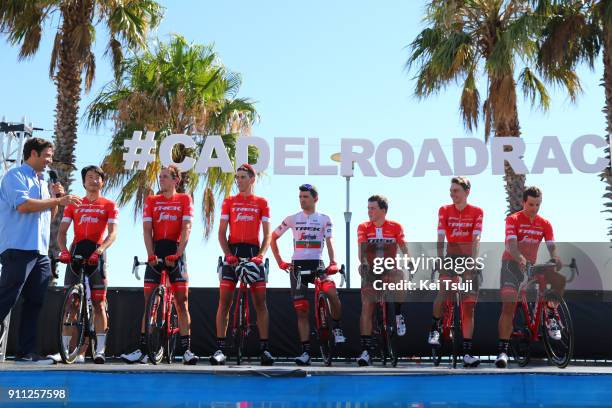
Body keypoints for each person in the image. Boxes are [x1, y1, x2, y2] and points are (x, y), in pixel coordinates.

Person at [0, 138, 81, 363]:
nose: (50, 161)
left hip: (40, 251)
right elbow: (23, 205)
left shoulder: (44, 182)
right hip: (17, 247)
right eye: (47, 155)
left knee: (35, 301)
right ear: (33, 153)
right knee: (6, 298)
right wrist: (58, 199)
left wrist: (55, 199)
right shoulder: (15, 176)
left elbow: (49, 217)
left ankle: (26, 353)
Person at [120, 166, 198, 365]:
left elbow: (186, 227)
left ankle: (186, 350)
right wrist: (150, 254)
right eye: (160, 176)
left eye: (165, 177)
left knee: (182, 303)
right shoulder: (151, 200)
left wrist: (178, 253)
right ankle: (143, 349)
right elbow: (146, 230)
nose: (160, 179)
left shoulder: (184, 199)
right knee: (149, 304)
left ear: (175, 180)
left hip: (176, 252)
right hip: (156, 252)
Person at [270, 183, 346, 366]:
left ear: (315, 199)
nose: (302, 200)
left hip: (317, 264)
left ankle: (336, 327)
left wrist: (333, 261)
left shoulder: (324, 219)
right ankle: (305, 352)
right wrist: (279, 261)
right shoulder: (292, 218)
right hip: (297, 267)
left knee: (332, 293)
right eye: (300, 197)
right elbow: (272, 238)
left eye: (305, 197)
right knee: (302, 311)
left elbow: (329, 242)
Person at [49, 165, 118, 364]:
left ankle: (100, 351)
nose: (93, 180)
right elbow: (62, 232)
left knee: (98, 304)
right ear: (84, 181)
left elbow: (113, 233)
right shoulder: (74, 203)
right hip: (76, 254)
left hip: (97, 254)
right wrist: (63, 250)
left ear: (102, 182)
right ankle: (64, 350)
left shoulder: (109, 204)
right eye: (89, 177)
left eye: (97, 177)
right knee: (70, 305)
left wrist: (100, 250)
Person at [211, 163, 274, 366]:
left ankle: (265, 349)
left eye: (242, 177)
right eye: (236, 177)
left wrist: (261, 255)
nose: (238, 181)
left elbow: (267, 234)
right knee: (224, 302)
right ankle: (220, 348)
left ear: (252, 179)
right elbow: (221, 233)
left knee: (260, 304)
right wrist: (227, 254)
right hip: (233, 254)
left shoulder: (262, 202)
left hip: (254, 253)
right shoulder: (229, 201)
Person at [495, 186, 564, 368]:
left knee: (558, 279)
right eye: (531, 204)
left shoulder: (545, 223)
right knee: (509, 305)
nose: (534, 208)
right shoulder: (513, 219)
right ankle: (502, 351)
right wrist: (521, 260)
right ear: (523, 202)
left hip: (531, 265)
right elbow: (511, 246)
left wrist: (556, 257)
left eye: (538, 204)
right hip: (511, 265)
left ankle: (551, 314)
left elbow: (551, 246)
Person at [427, 177, 483, 368]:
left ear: (467, 191)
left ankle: (467, 353)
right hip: (450, 257)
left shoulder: (477, 212)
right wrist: (440, 259)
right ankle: (435, 327)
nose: (452, 194)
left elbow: (476, 239)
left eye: (456, 190)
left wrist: (473, 262)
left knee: (469, 307)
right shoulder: (444, 210)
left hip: (468, 258)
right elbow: (440, 237)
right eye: (451, 190)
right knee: (443, 291)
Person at [356, 195, 411, 367]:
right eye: (368, 208)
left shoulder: (395, 226)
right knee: (367, 306)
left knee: (400, 276)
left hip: (389, 269)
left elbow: (403, 246)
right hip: (371, 270)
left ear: (383, 210)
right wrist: (364, 264)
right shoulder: (363, 226)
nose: (369, 211)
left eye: (372, 208)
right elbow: (361, 250)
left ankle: (399, 314)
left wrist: (409, 260)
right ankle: (365, 351)